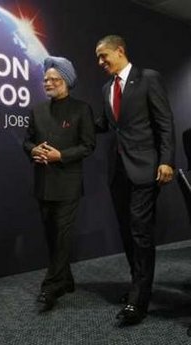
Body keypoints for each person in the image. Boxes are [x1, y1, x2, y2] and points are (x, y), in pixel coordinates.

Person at [95, 35, 175, 325]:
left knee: (141, 232)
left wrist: (167, 160)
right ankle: (137, 287)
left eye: (104, 56)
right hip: (117, 172)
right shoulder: (106, 88)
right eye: (98, 58)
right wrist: (74, 122)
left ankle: (139, 301)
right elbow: (103, 125)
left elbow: (164, 122)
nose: (100, 62)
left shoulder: (148, 78)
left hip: (145, 168)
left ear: (120, 51)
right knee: (127, 232)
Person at [23, 56, 95, 311]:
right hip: (42, 184)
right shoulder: (37, 111)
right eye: (45, 80)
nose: (48, 83)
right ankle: (66, 279)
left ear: (66, 80)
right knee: (52, 236)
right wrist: (33, 151)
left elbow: (88, 145)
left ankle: (50, 286)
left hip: (68, 185)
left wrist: (60, 155)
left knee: (62, 236)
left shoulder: (81, 109)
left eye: (53, 79)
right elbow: (27, 141)